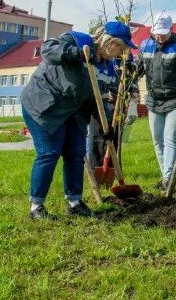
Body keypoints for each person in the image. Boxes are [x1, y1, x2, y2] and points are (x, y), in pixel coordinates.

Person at [19, 22, 137, 220]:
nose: (120, 53)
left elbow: (98, 100)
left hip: (74, 110)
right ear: (110, 41)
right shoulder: (78, 40)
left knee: (76, 153)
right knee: (49, 152)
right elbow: (48, 49)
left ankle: (74, 203)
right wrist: (76, 53)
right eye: (120, 48)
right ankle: (36, 207)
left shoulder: (108, 70)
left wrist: (106, 126)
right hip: (44, 104)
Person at [135, 12, 176, 191]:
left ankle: (169, 178)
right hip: (154, 100)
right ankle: (165, 176)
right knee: (157, 139)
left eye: (163, 32)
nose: (159, 36)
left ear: (171, 29)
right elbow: (137, 69)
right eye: (156, 32)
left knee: (170, 137)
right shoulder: (146, 45)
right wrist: (126, 74)